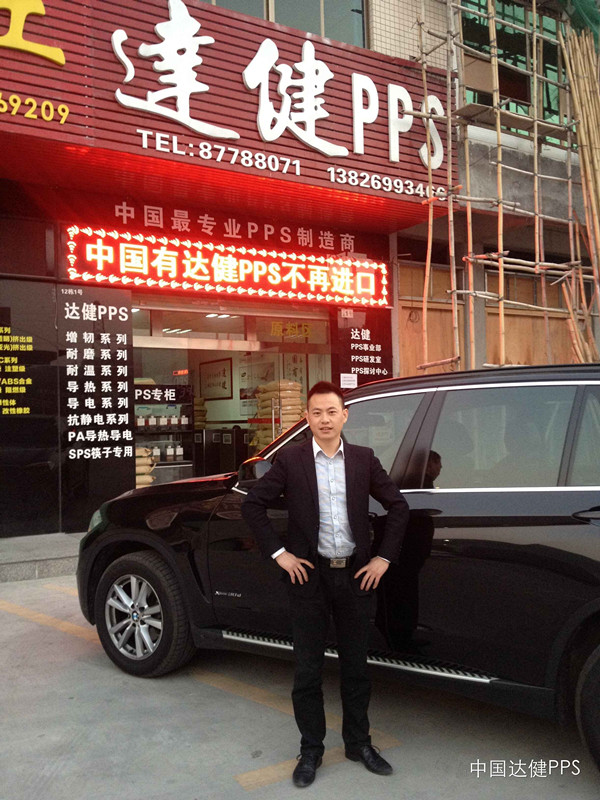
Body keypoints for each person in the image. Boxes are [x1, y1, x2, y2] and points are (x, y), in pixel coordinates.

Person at [242, 381, 409, 788]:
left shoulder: (364, 459)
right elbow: (252, 503)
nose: (325, 420)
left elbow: (398, 506)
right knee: (307, 670)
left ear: (344, 415)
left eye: (332, 412)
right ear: (307, 418)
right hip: (309, 578)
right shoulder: (291, 459)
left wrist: (383, 559)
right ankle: (311, 750)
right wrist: (280, 554)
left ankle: (359, 743)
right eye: (316, 413)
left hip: (355, 577)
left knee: (356, 668)